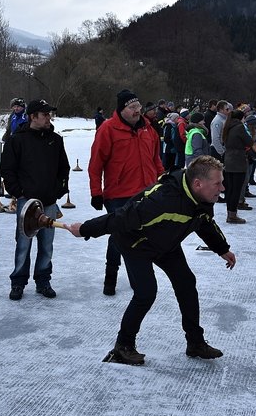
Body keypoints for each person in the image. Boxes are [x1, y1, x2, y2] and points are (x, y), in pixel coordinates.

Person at [66, 156, 235, 365]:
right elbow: (122, 217)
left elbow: (205, 223)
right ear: (198, 184)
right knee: (146, 292)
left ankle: (195, 342)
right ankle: (123, 346)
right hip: (135, 242)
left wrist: (222, 248)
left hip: (166, 243)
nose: (222, 187)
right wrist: (85, 229)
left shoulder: (202, 199)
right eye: (217, 183)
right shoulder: (163, 199)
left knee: (186, 284)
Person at [88, 89, 164, 295]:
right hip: (118, 193)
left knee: (142, 236)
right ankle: (110, 275)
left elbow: (156, 159)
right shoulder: (107, 129)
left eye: (138, 107)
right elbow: (96, 163)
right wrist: (96, 191)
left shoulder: (149, 129)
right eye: (132, 107)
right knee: (118, 236)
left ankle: (138, 277)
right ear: (121, 110)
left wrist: (162, 181)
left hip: (146, 191)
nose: (137, 111)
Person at [1, 99, 70, 301]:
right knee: (24, 243)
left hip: (49, 201)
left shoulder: (56, 140)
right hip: (26, 202)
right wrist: (18, 192)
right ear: (33, 116)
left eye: (49, 115)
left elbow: (63, 168)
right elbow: (7, 169)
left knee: (47, 244)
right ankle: (18, 282)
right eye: (45, 115)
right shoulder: (17, 140)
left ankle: (43, 280)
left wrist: (59, 189)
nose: (49, 118)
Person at [222, 109, 252, 224]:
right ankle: (232, 214)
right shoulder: (240, 127)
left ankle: (230, 212)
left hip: (229, 160)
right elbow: (249, 142)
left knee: (230, 189)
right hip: (238, 161)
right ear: (241, 118)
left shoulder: (227, 127)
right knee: (236, 189)